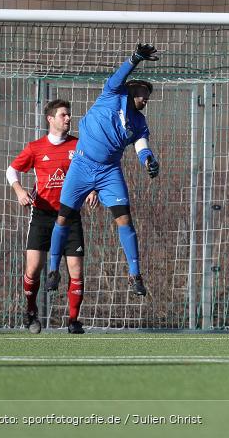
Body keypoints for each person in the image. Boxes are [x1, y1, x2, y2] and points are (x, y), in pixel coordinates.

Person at [46, 43, 161, 298]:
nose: (146, 98)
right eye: (143, 93)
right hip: (82, 166)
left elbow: (142, 146)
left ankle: (135, 275)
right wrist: (135, 59)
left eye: (148, 96)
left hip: (109, 172)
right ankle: (53, 269)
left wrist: (149, 161)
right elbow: (119, 76)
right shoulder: (112, 94)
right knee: (63, 218)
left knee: (124, 220)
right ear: (131, 90)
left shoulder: (139, 122)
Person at [7, 100, 97, 334]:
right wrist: (19, 190)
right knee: (33, 268)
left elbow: (92, 170)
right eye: (63, 115)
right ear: (50, 119)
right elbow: (11, 170)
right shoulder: (35, 148)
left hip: (69, 215)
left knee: (76, 269)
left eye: (69, 115)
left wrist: (93, 189)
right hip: (42, 215)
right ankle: (30, 311)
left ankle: (74, 321)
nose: (68, 118)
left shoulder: (78, 145)